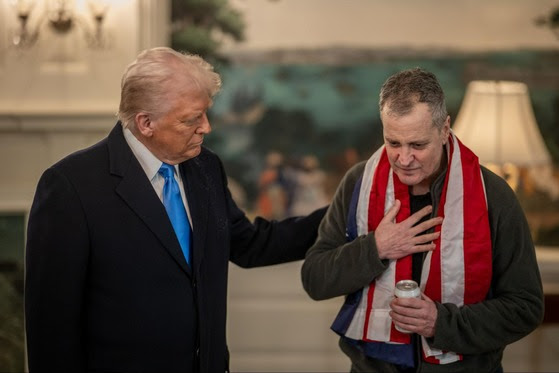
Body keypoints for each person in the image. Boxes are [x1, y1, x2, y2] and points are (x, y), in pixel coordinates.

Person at [24, 47, 327, 373]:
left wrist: (344, 214)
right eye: (192, 119)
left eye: (206, 113)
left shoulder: (206, 167)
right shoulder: (70, 186)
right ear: (146, 123)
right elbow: (51, 327)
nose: (207, 127)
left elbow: (250, 244)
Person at [301, 67, 544, 373]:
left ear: (444, 130)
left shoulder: (492, 195)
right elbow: (314, 280)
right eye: (393, 143)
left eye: (417, 145)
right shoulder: (357, 183)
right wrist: (375, 247)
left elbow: (526, 309)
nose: (404, 159)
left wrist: (440, 323)